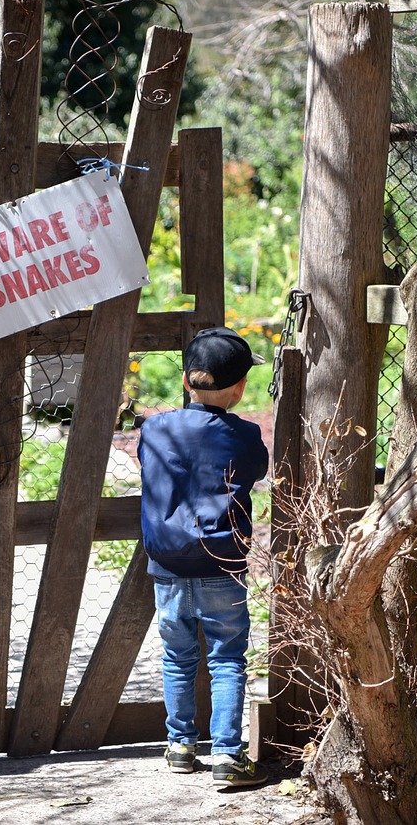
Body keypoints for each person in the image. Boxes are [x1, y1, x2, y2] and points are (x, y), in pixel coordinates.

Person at [138, 326, 269, 789]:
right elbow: (255, 471)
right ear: (239, 388)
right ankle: (228, 756)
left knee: (177, 658)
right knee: (227, 658)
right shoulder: (245, 435)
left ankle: (180, 747)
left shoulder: (154, 428)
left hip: (168, 568)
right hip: (222, 565)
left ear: (187, 382)